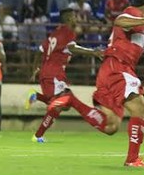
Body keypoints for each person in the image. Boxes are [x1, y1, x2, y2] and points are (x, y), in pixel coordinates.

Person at [38, 0, 144, 167]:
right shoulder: (133, 12)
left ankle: (72, 101)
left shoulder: (138, 19)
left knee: (111, 126)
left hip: (110, 69)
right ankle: (133, 159)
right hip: (118, 67)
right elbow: (120, 21)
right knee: (140, 110)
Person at [26, 9, 104, 142]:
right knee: (62, 103)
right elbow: (73, 48)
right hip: (54, 73)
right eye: (74, 16)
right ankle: (38, 135)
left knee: (63, 104)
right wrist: (93, 52)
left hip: (48, 73)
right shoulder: (68, 32)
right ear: (68, 19)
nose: (76, 18)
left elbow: (39, 51)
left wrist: (37, 68)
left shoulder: (54, 34)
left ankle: (36, 97)